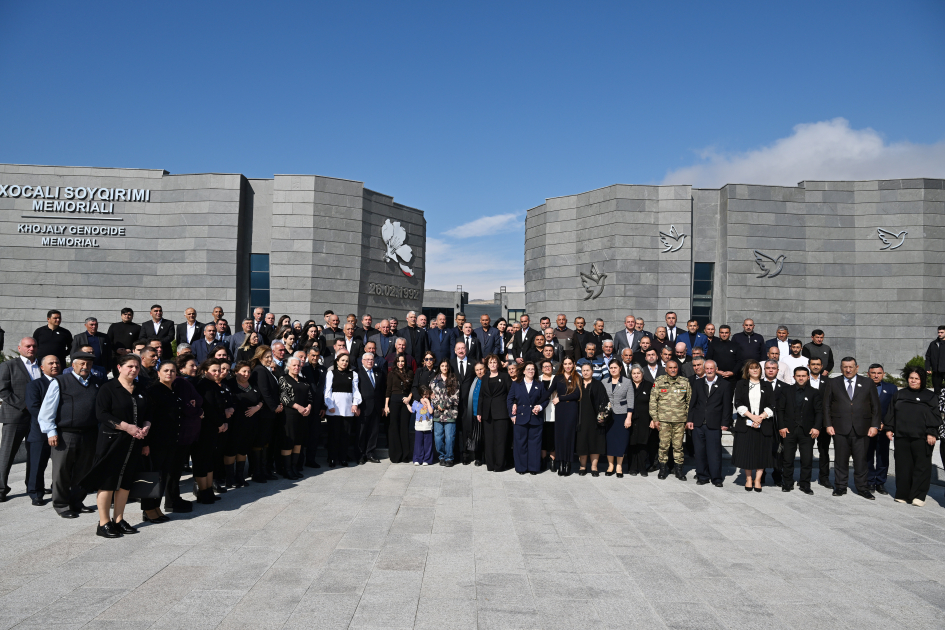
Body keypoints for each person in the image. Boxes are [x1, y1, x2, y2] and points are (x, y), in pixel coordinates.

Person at [80, 354, 151, 538]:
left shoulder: (141, 388)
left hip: (134, 442)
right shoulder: (108, 388)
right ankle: (104, 523)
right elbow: (101, 414)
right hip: (112, 441)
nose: (134, 370)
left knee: (125, 481)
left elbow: (148, 413)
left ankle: (118, 519)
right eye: (129, 366)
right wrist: (126, 426)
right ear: (119, 368)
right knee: (108, 481)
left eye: (136, 367)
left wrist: (146, 426)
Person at [822, 357, 881, 499]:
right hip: (839, 428)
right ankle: (840, 487)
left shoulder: (867, 383)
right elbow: (826, 405)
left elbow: (876, 406)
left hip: (863, 428)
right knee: (840, 460)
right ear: (841, 368)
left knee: (861, 460)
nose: (848, 370)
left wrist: (874, 425)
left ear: (857, 367)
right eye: (845, 367)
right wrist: (828, 424)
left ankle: (862, 488)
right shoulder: (833, 382)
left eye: (851, 367)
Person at [885, 365, 939, 506]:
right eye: (911, 378)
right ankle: (902, 494)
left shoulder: (930, 396)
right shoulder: (900, 394)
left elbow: (935, 416)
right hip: (902, 436)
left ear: (922, 380)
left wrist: (932, 432)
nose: (913, 381)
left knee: (921, 467)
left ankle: (918, 496)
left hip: (922, 437)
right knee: (903, 466)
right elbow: (891, 412)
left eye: (916, 378)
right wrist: (889, 428)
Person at [139, 360, 183, 523]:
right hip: (156, 441)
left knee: (163, 475)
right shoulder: (153, 391)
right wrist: (146, 443)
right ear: (158, 373)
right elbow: (147, 417)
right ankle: (148, 509)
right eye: (165, 370)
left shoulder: (173, 389)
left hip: (170, 440)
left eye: (172, 371)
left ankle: (156, 506)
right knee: (152, 475)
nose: (169, 373)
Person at [0, 336, 40, 502]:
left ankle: (33, 488)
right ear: (19, 348)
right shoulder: (8, 365)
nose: (31, 349)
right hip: (15, 416)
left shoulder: (41, 366)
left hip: (36, 419)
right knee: (7, 455)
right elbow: (3, 390)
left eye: (34, 346)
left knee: (34, 455)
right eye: (28, 346)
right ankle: (1, 489)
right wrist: (24, 405)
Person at [776, 366, 822, 494]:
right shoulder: (786, 390)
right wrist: (781, 426)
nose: (801, 378)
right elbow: (780, 410)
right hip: (789, 430)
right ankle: (787, 483)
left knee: (807, 459)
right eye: (798, 376)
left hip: (807, 431)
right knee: (787, 458)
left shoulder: (814, 392)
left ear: (808, 377)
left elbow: (819, 412)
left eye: (803, 376)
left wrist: (816, 427)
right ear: (794, 377)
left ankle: (805, 484)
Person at [686, 359, 732, 487]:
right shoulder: (698, 383)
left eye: (712, 368)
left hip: (715, 424)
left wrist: (725, 422)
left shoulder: (725, 384)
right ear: (704, 370)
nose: (709, 371)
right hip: (698, 423)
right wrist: (690, 419)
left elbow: (727, 406)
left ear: (716, 369)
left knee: (714, 452)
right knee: (699, 451)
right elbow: (693, 403)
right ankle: (702, 476)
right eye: (707, 368)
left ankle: (716, 477)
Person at [732, 360, 776, 492]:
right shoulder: (741, 384)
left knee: (761, 453)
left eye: (757, 368)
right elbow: (738, 403)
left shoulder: (767, 385)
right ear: (747, 371)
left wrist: (761, 417)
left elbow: (772, 404)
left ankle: (758, 480)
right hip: (746, 424)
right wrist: (752, 417)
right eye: (752, 368)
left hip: (763, 424)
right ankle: (749, 479)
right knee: (747, 453)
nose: (755, 370)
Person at [194, 359, 231, 502]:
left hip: (213, 428)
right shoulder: (203, 385)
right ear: (205, 371)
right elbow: (209, 408)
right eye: (213, 370)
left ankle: (209, 491)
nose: (217, 373)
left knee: (209, 459)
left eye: (219, 370)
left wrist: (223, 422)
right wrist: (220, 423)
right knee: (202, 460)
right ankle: (203, 492)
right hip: (205, 428)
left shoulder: (213, 385)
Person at [25, 354, 60, 505]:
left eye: (57, 363)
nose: (55, 365)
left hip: (61, 431)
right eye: (51, 363)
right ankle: (36, 493)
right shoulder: (35, 385)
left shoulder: (64, 382)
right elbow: (33, 407)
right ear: (42, 367)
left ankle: (59, 490)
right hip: (39, 432)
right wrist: (49, 424)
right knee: (37, 464)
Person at [650, 359, 692, 480]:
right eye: (670, 368)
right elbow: (653, 401)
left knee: (678, 446)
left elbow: (689, 401)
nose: (673, 370)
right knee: (663, 445)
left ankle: (679, 470)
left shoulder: (684, 382)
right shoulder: (659, 381)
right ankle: (662, 469)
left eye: (675, 367)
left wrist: (687, 419)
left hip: (679, 420)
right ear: (666, 369)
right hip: (663, 420)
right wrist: (655, 418)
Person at [507, 362, 549, 475]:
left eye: (533, 369)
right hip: (520, 418)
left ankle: (534, 468)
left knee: (534, 444)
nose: (531, 371)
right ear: (524, 371)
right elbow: (510, 399)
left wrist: (540, 407)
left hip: (535, 418)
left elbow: (546, 399)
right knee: (520, 444)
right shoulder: (516, 384)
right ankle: (521, 468)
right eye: (528, 369)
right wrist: (512, 414)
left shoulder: (539, 385)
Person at [324, 352, 361, 467]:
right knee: (334, 435)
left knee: (345, 436)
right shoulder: (331, 373)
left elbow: (355, 391)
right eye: (342, 360)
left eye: (346, 361)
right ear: (337, 361)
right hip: (334, 408)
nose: (344, 363)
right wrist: (330, 405)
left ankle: (343, 458)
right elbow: (327, 390)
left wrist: (355, 404)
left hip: (347, 409)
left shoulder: (353, 374)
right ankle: (332, 458)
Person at [249, 347, 280, 482]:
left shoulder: (267, 370)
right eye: (266, 357)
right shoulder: (260, 370)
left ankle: (265, 470)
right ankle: (257, 472)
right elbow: (265, 392)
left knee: (266, 442)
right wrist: (274, 407)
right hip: (264, 413)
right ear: (259, 357)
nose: (269, 359)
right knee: (260, 442)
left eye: (270, 356)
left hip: (269, 413)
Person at [278, 356, 313, 479]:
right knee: (289, 442)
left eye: (298, 365)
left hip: (303, 415)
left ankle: (294, 467)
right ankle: (286, 469)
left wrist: (308, 407)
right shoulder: (284, 378)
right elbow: (283, 396)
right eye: (294, 365)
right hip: (289, 415)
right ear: (288, 366)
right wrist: (298, 407)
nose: (296, 367)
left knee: (298, 442)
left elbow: (310, 396)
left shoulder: (303, 380)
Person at [866, 363, 897, 495]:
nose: (876, 375)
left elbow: (894, 408)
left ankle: (880, 482)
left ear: (883, 374)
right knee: (867, 456)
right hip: (867, 428)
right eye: (873, 373)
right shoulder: (862, 387)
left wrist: (887, 423)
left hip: (884, 428)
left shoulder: (892, 388)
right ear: (868, 374)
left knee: (882, 456)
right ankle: (869, 481)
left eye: (879, 373)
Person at [478, 354, 512, 472]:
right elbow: (481, 396)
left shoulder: (505, 376)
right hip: (487, 413)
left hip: (501, 413)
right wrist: (479, 412)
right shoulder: (485, 378)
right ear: (487, 365)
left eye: (494, 362)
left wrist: (513, 408)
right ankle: (490, 464)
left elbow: (510, 394)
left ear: (498, 364)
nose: (492, 364)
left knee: (500, 440)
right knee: (489, 440)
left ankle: (499, 465)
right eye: (490, 362)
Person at [575, 362, 607, 476]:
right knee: (582, 442)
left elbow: (604, 401)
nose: (585, 372)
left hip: (595, 419)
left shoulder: (598, 384)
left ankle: (594, 467)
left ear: (592, 372)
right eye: (583, 370)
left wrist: (601, 417)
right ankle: (582, 466)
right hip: (580, 419)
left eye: (588, 370)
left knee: (595, 443)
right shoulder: (577, 383)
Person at [602, 360, 633, 477]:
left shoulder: (627, 382)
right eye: (611, 368)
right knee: (609, 441)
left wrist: (628, 417)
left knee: (621, 440)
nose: (613, 370)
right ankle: (610, 465)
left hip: (622, 415)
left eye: (615, 367)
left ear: (620, 368)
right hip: (608, 415)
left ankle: (619, 466)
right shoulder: (604, 381)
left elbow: (630, 400)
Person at [552, 357, 581, 476]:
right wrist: (537, 403)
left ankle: (568, 463)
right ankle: (560, 463)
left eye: (570, 364)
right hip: (560, 410)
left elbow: (577, 394)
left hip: (571, 409)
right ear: (562, 365)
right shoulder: (558, 377)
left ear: (574, 364)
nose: (568, 366)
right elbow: (549, 391)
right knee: (559, 436)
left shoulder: (577, 377)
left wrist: (560, 398)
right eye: (565, 364)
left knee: (569, 436)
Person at [356, 352, 385, 465]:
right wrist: (356, 406)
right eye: (367, 359)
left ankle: (370, 453)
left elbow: (381, 390)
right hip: (363, 408)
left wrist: (382, 406)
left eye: (372, 359)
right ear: (362, 361)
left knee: (374, 432)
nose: (370, 361)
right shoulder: (357, 373)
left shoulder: (379, 372)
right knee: (361, 432)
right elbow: (356, 390)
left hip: (376, 407)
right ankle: (360, 455)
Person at [385, 354, 414, 464]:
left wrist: (409, 398)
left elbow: (412, 388)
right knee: (394, 427)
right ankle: (396, 455)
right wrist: (386, 405)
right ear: (396, 362)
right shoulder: (392, 373)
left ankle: (405, 455)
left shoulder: (410, 373)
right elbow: (388, 390)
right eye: (398, 361)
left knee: (404, 427)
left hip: (405, 402)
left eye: (402, 361)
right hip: (394, 401)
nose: (400, 363)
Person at [430, 359, 459, 466]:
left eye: (446, 366)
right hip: (438, 414)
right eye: (442, 366)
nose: (444, 368)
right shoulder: (434, 381)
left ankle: (449, 458)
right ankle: (441, 456)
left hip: (450, 413)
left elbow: (456, 397)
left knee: (450, 437)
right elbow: (431, 396)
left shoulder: (454, 380)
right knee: (438, 437)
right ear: (440, 367)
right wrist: (437, 404)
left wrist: (443, 405)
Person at [626, 366, 652, 476]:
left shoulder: (649, 385)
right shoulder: (627, 385)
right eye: (634, 373)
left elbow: (653, 403)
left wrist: (653, 419)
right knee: (631, 443)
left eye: (638, 373)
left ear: (642, 374)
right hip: (630, 418)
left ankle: (642, 468)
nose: (636, 375)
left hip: (645, 419)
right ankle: (632, 467)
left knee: (643, 443)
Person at [106, 308, 141, 375]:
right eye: (125, 314)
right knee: (117, 375)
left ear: (132, 316)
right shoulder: (114, 326)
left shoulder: (137, 328)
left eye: (129, 315)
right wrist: (116, 350)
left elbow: (139, 342)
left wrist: (131, 350)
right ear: (121, 315)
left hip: (131, 356)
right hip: (116, 356)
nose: (127, 316)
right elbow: (108, 340)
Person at [411, 387, 435, 465]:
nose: (426, 396)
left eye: (427, 394)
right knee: (418, 443)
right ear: (421, 395)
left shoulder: (430, 402)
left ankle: (427, 459)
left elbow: (431, 411)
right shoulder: (416, 402)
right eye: (424, 395)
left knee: (428, 444)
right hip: (419, 426)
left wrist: (428, 403)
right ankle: (417, 459)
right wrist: (407, 404)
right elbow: (412, 410)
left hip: (428, 426)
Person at [924, 325, 945, 396]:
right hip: (936, 371)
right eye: (939, 332)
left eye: (942, 332)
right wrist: (927, 367)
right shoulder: (933, 344)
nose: (939, 334)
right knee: (936, 391)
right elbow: (928, 356)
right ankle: (937, 405)